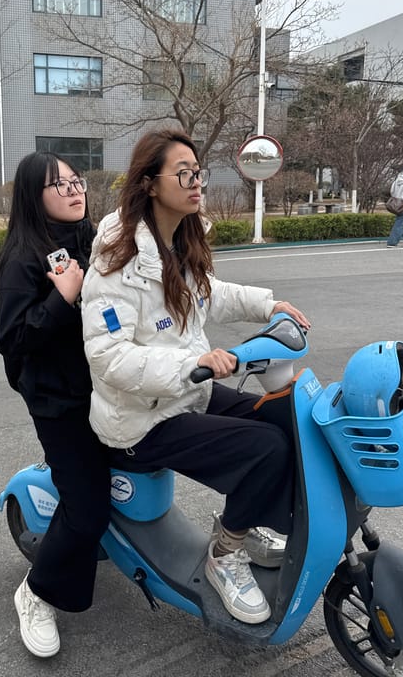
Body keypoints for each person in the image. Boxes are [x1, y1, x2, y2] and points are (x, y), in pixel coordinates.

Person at [81, 128, 311, 626]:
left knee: (288, 419)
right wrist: (194, 365)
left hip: (185, 397)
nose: (196, 182)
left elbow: (213, 293)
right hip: (139, 424)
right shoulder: (115, 261)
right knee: (263, 448)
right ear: (149, 183)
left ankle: (245, 524)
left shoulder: (180, 241)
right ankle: (224, 555)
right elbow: (108, 357)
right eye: (183, 173)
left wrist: (269, 305)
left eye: (198, 172)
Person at [0, 152, 110, 658]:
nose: (73, 190)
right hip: (60, 402)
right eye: (58, 185)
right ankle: (37, 592)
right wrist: (61, 298)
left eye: (76, 181)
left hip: (109, 386)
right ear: (32, 197)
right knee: (88, 510)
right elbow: (13, 341)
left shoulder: (94, 238)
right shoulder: (21, 258)